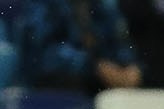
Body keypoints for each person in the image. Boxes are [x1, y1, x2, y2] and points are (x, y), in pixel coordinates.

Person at [9, 0, 141, 95]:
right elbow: (44, 55)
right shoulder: (41, 4)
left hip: (98, 82)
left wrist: (130, 66)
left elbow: (120, 42)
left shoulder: (103, 5)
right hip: (46, 86)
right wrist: (94, 67)